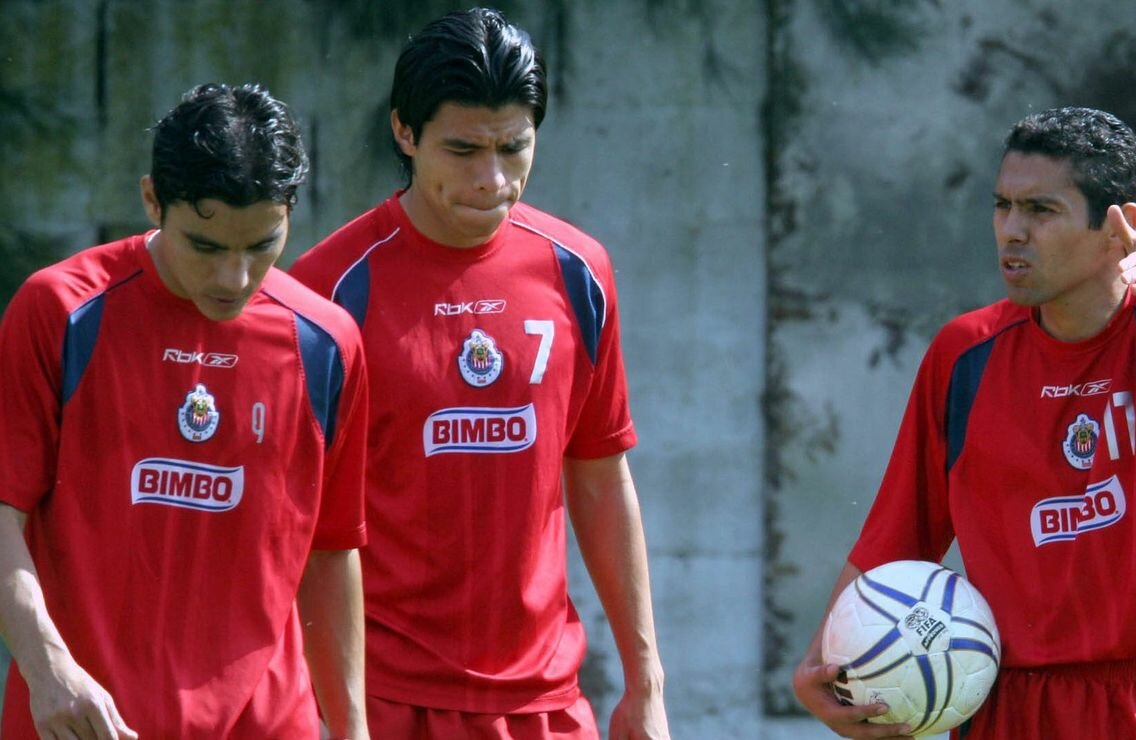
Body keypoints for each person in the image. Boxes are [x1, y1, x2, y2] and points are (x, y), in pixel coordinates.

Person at [289, 8, 670, 739]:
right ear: (405, 132)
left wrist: (645, 682)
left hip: (545, 702)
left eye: (513, 147)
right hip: (381, 702)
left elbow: (600, 475)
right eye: (463, 149)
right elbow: (291, 526)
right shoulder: (327, 292)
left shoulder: (579, 273)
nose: (492, 179)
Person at [792, 105, 1136, 739]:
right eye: (1003, 206)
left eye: (1040, 210)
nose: (1012, 231)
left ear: (1118, 226)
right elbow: (898, 534)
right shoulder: (964, 353)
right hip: (1003, 710)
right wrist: (820, 663)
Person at [0, 83, 371, 739]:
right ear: (152, 200)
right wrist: (46, 666)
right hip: (87, 724)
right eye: (206, 247)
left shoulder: (325, 342)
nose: (234, 277)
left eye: (261, 245)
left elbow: (331, 550)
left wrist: (353, 729)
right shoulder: (60, 311)